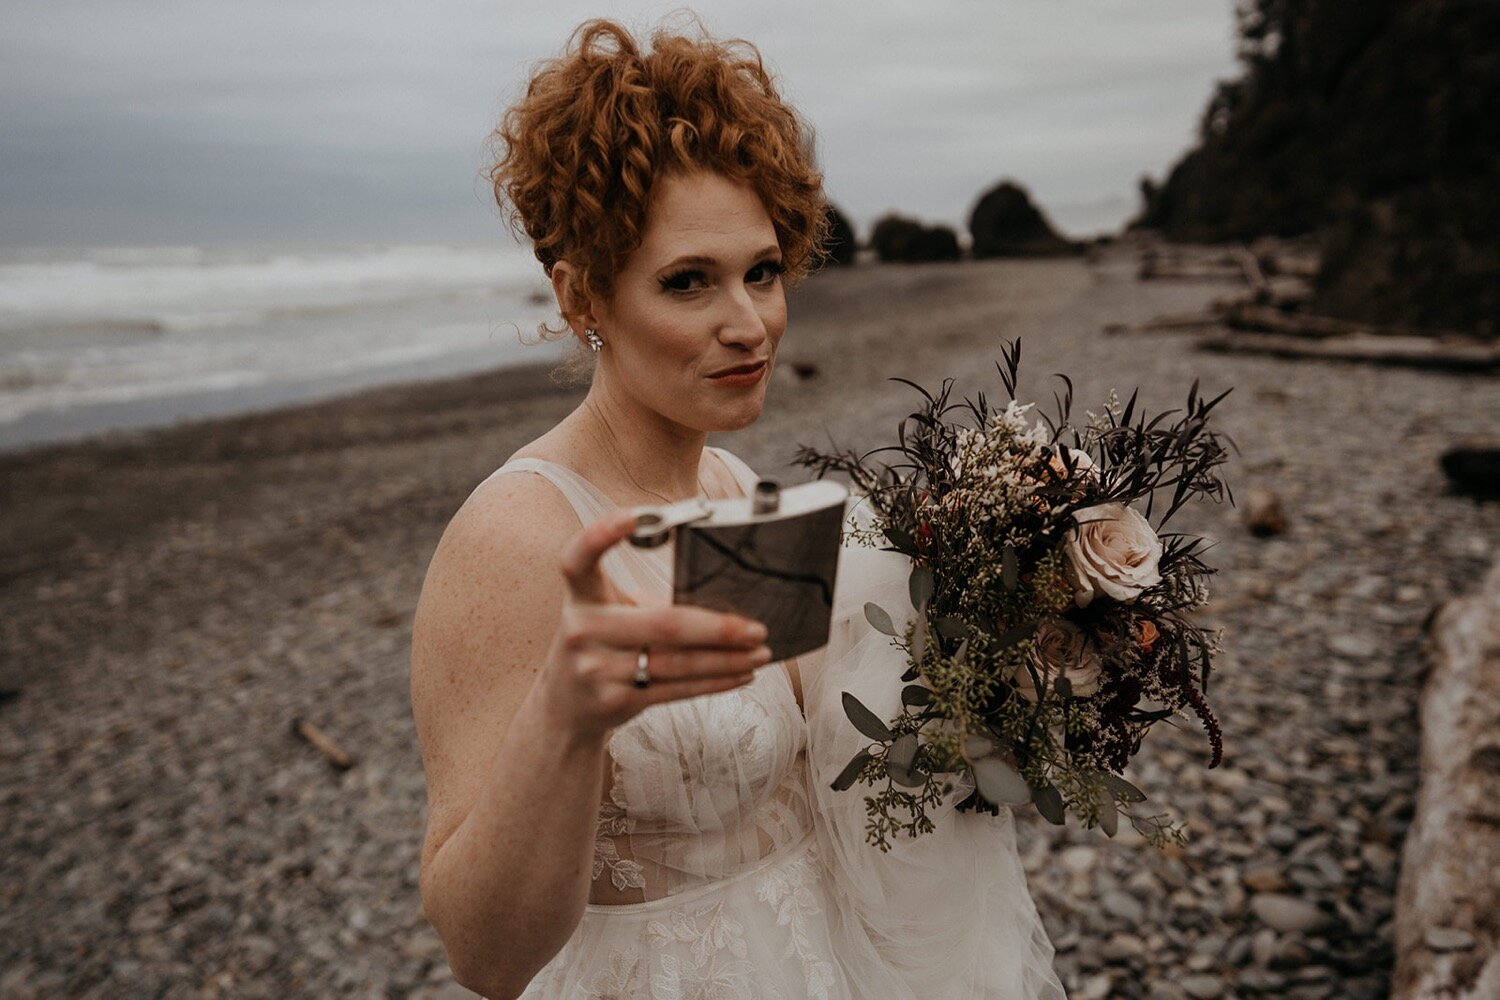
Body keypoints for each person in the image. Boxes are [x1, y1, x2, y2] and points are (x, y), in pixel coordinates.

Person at [410, 17, 1067, 1000]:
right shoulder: (513, 541)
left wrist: (1004, 645)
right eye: (689, 282)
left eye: (762, 270)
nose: (749, 323)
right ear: (583, 298)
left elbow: (834, 768)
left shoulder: (740, 490)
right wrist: (563, 721)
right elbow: (484, 957)